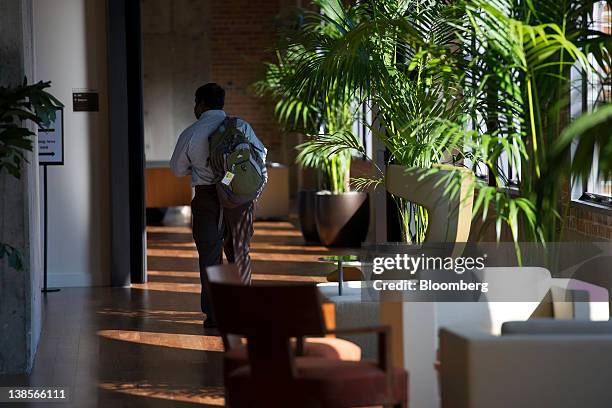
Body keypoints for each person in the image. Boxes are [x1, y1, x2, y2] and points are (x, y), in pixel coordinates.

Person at [170, 83, 267, 328]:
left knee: (210, 258)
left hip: (207, 199)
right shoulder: (241, 126)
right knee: (240, 253)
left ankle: (215, 315)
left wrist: (200, 166)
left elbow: (177, 169)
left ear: (201, 104)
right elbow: (261, 153)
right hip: (238, 199)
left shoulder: (191, 133)